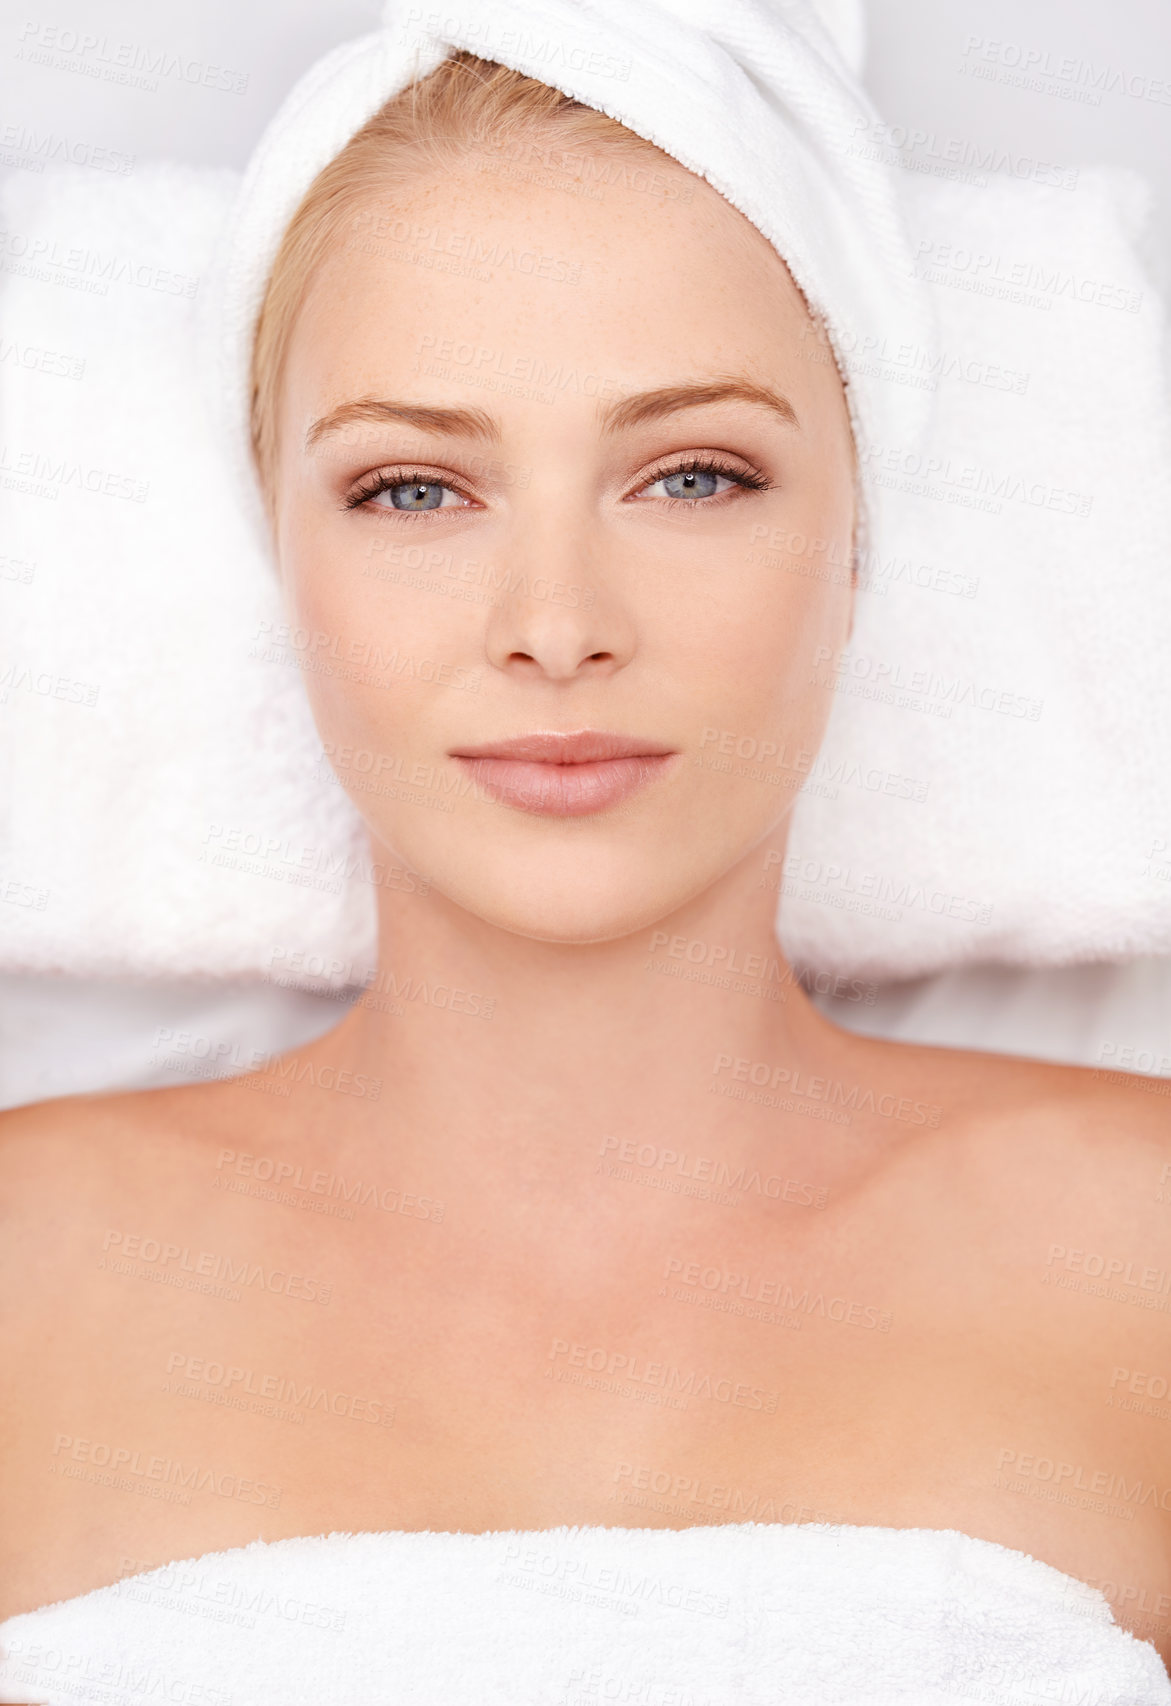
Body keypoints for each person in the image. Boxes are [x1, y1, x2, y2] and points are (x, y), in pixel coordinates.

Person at [2, 44, 1169, 1692]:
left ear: (855, 539)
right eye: (415, 486)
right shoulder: (22, 1278)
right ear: (283, 551)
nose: (555, 626)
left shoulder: (1144, 1255)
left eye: (693, 475)